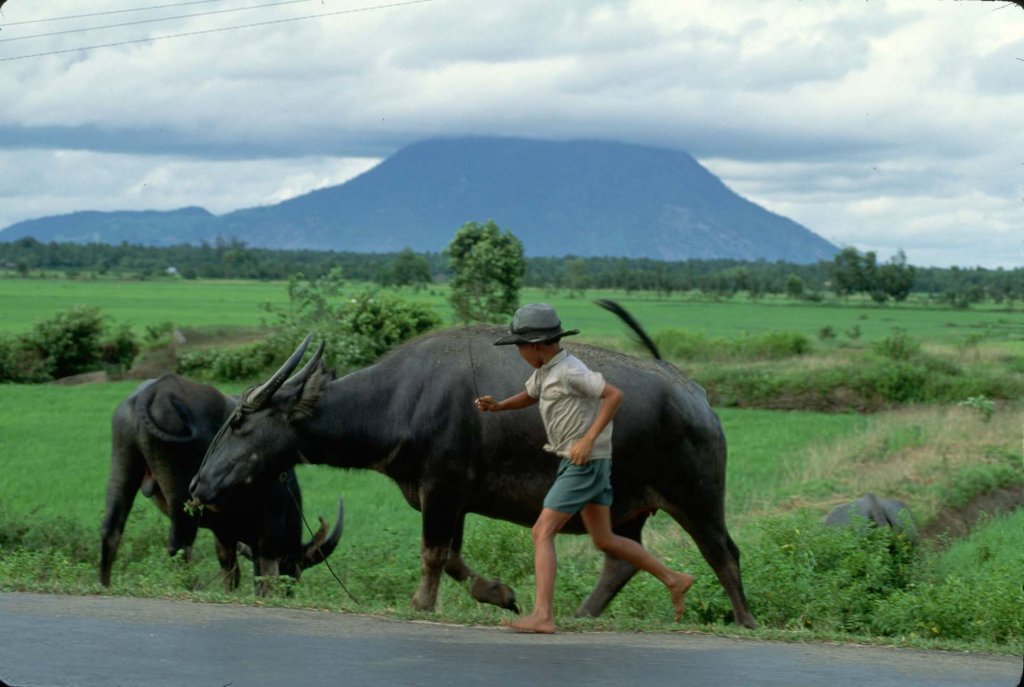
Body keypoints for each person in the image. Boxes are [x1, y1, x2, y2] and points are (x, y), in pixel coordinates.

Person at [475, 303, 693, 634]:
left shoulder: (570, 371)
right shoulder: (546, 370)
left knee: (541, 532)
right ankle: (673, 578)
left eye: (519, 345)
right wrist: (500, 406)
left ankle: (542, 616)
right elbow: (531, 395)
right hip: (579, 461)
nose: (518, 351)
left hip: (585, 462)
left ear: (534, 345)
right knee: (605, 538)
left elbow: (613, 395)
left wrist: (588, 439)